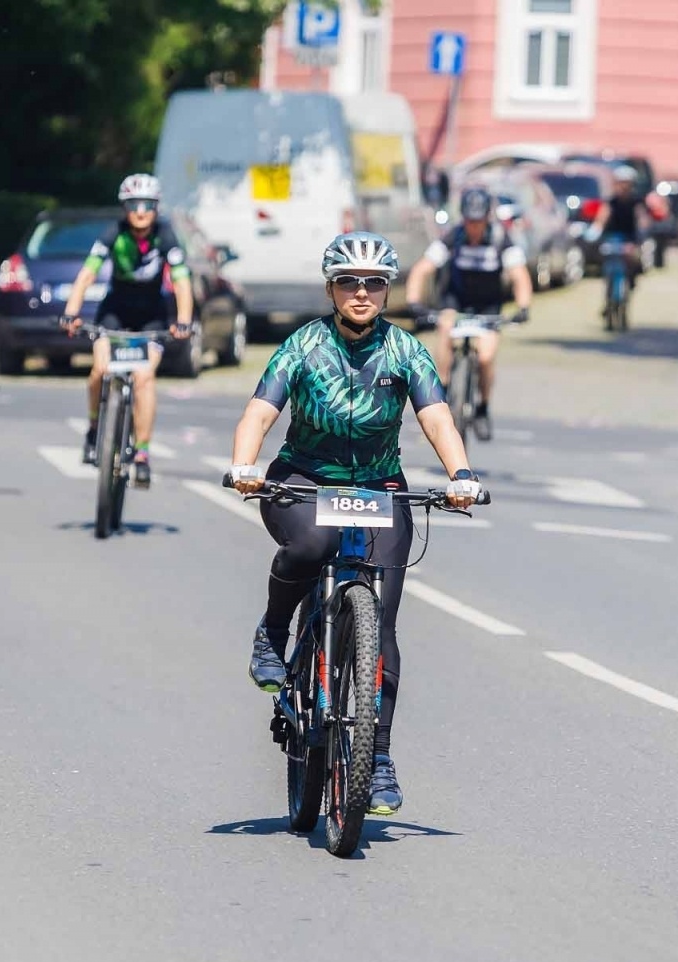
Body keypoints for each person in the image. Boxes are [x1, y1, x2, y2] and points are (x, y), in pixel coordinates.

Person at [227, 232, 481, 816]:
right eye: (349, 282)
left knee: (383, 625)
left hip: (377, 486)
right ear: (331, 289)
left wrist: (460, 472)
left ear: (387, 290)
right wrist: (244, 466)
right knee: (311, 544)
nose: (361, 292)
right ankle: (272, 632)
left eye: (373, 282)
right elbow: (260, 411)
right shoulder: (303, 345)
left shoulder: (406, 352)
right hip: (303, 481)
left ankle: (379, 757)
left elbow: (436, 416)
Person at [61, 173, 193, 487]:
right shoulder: (112, 234)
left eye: (147, 204)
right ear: (125, 207)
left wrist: (184, 319)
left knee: (144, 377)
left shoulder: (166, 235)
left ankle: (143, 453)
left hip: (152, 317)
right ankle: (94, 428)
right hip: (114, 313)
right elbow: (86, 276)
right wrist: (70, 312)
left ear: (156, 207)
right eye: (134, 204)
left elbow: (182, 280)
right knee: (99, 370)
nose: (140, 211)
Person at [404, 187, 532, 442]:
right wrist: (413, 301)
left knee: (485, 357)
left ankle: (483, 408)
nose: (474, 226)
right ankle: (445, 389)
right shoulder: (453, 237)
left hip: (488, 306)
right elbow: (422, 269)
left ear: (488, 217)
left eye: (479, 220)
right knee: (445, 328)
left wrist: (523, 307)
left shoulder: (500, 238)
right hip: (456, 300)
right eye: (469, 220)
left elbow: (519, 274)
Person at [588, 164, 650, 298]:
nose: (623, 187)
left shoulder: (636, 202)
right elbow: (602, 216)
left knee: (635, 260)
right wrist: (595, 229)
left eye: (626, 184)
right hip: (612, 238)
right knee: (607, 263)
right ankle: (608, 294)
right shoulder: (611, 202)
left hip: (630, 239)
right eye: (620, 183)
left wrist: (642, 232)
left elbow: (642, 218)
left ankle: (631, 280)